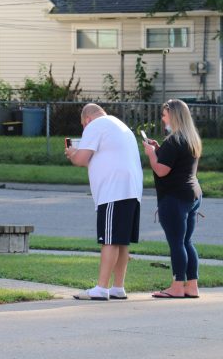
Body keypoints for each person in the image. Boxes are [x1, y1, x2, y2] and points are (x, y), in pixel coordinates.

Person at [65, 104, 143, 300]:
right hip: (132, 190)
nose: (85, 129)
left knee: (109, 240)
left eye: (84, 125)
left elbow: (82, 159)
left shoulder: (95, 125)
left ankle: (101, 288)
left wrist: (72, 154)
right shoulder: (119, 125)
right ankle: (118, 287)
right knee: (122, 241)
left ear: (87, 120)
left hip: (112, 191)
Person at [143, 99, 202, 299]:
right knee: (186, 241)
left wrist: (151, 154)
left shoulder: (173, 140)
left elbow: (161, 170)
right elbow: (176, 163)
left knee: (176, 242)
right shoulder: (190, 139)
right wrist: (159, 150)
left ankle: (177, 286)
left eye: (164, 114)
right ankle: (191, 285)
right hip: (192, 193)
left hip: (174, 197)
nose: (162, 118)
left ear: (173, 115)